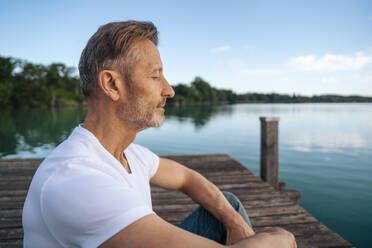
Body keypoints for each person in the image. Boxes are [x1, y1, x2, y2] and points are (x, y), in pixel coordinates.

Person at [22, 21, 297, 248]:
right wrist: (282, 239)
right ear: (112, 84)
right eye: (155, 76)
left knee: (228, 206)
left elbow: (187, 178)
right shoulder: (75, 180)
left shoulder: (127, 153)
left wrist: (234, 223)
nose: (169, 90)